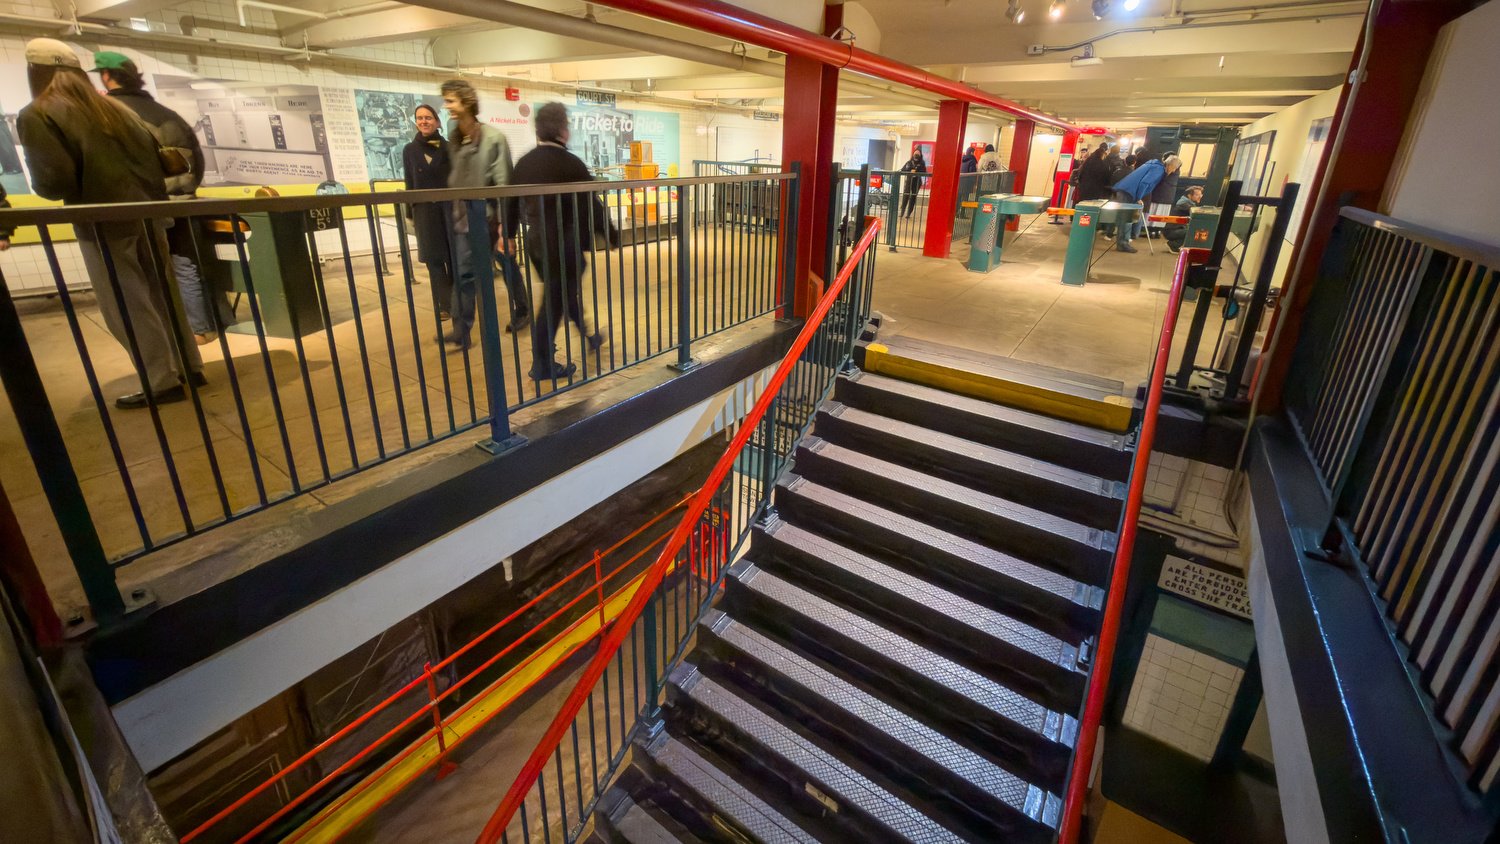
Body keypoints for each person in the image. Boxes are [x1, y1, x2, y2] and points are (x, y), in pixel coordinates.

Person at [16, 38, 203, 408]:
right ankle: (189, 366)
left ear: (35, 71)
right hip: (150, 214)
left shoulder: (39, 113)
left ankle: (160, 380)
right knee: (163, 294)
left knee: (126, 302)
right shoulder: (117, 111)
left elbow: (54, 183)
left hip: (102, 219)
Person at [92, 51, 220, 347]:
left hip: (143, 206)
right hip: (182, 202)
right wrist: (185, 191)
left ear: (107, 76)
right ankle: (200, 328)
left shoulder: (112, 115)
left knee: (144, 273)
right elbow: (196, 162)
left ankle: (164, 339)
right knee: (185, 264)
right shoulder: (167, 115)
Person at [503, 102, 619, 381]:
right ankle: (542, 363)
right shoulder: (571, 164)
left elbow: (510, 201)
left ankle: (589, 335)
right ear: (563, 131)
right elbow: (593, 204)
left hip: (536, 242)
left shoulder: (525, 162)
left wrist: (507, 234)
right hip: (563, 242)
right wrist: (611, 234)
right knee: (555, 301)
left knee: (563, 291)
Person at [440, 78, 529, 350]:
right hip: (463, 218)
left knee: (507, 264)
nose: (447, 107)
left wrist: (505, 228)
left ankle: (522, 309)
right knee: (465, 274)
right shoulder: (454, 140)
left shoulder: (493, 139)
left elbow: (503, 184)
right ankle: (461, 330)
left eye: (451, 100)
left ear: (466, 101)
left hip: (489, 218)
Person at [402, 103, 453, 320]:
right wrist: (410, 212)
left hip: (448, 211)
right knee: (434, 260)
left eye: (429, 117)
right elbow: (409, 182)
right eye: (420, 118)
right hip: (424, 212)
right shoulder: (410, 150)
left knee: (453, 258)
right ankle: (444, 305)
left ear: (437, 121)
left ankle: (459, 301)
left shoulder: (449, 148)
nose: (424, 121)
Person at [1109, 153, 1181, 253]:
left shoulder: (1154, 164)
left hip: (1124, 190)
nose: (1173, 171)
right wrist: (1139, 197)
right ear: (1171, 165)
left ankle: (1122, 242)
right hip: (1128, 192)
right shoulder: (1158, 170)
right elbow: (1144, 183)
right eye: (1174, 168)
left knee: (1124, 218)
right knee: (1127, 218)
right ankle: (1123, 244)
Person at [1147, 152, 1182, 239]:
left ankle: (1152, 232)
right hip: (1168, 196)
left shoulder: (1168, 169)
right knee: (1161, 215)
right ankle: (1157, 232)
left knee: (1155, 212)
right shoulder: (1177, 169)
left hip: (1160, 194)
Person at [1164, 185, 1204, 253]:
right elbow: (1194, 212)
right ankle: (1172, 245)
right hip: (1171, 231)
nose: (1200, 196)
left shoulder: (1186, 202)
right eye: (1197, 195)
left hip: (1175, 230)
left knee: (1193, 231)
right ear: (1189, 195)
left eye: (1200, 195)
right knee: (1192, 232)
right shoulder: (1183, 204)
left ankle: (1174, 244)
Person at [898, 148, 925, 219]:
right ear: (913, 154)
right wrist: (909, 171)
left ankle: (908, 214)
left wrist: (917, 172)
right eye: (915, 153)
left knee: (913, 197)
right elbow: (903, 170)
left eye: (918, 154)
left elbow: (924, 172)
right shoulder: (909, 162)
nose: (916, 155)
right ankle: (902, 212)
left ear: (920, 155)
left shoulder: (922, 163)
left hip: (917, 182)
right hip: (909, 181)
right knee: (905, 196)